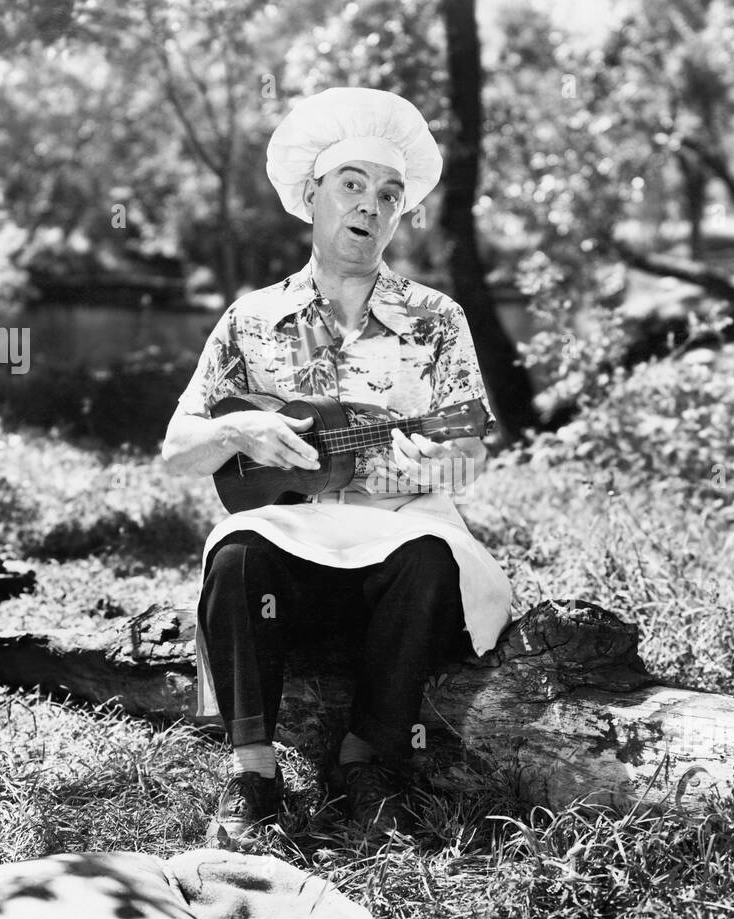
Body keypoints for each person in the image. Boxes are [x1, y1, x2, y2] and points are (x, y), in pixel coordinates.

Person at [162, 87, 513, 843]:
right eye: (352, 185)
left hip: (395, 541)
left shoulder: (438, 320)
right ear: (311, 197)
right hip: (293, 545)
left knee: (428, 556)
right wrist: (247, 430)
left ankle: (367, 763)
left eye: (389, 194)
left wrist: (428, 471)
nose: (372, 205)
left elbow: (470, 454)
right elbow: (177, 451)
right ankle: (253, 775)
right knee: (237, 552)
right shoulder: (250, 320)